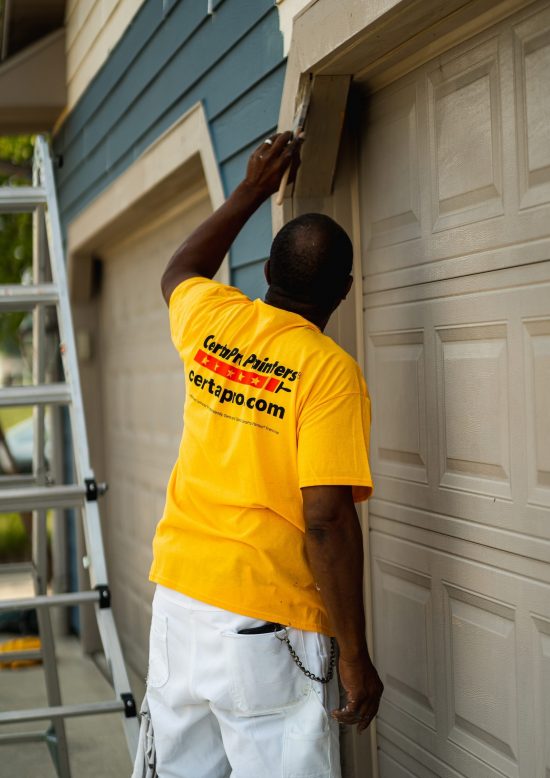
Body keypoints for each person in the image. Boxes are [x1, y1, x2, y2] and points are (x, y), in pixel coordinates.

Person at [142, 131, 383, 778]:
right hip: (264, 624)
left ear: (269, 274)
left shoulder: (214, 320)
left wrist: (252, 188)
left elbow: (179, 270)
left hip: (178, 605)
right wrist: (354, 654)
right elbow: (326, 520)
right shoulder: (328, 371)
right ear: (344, 291)